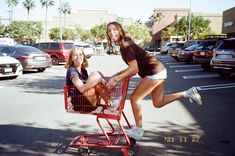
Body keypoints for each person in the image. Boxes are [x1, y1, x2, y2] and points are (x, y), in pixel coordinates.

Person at [105, 21, 202, 141]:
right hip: (158, 70)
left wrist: (116, 79)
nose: (111, 32)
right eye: (109, 30)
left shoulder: (125, 45)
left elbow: (134, 70)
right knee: (158, 102)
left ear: (120, 30)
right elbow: (132, 66)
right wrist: (117, 75)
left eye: (114, 29)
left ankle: (138, 130)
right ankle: (188, 93)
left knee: (135, 99)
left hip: (154, 72)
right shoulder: (125, 43)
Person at [65, 47, 112, 112]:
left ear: (83, 57)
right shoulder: (72, 70)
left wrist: (98, 81)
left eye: (80, 55)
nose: (78, 57)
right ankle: (110, 104)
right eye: (75, 55)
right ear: (72, 58)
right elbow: (82, 88)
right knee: (95, 74)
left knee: (97, 77)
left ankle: (109, 103)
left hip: (87, 100)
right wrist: (98, 80)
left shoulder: (83, 71)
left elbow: (90, 85)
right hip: (80, 104)